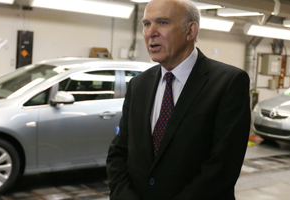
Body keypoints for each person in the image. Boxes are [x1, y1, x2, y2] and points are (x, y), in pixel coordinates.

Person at [106, 0, 251, 199]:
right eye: (146, 24)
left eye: (162, 23)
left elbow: (222, 168)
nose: (150, 33)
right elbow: (119, 152)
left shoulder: (229, 83)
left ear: (190, 31)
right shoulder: (138, 85)